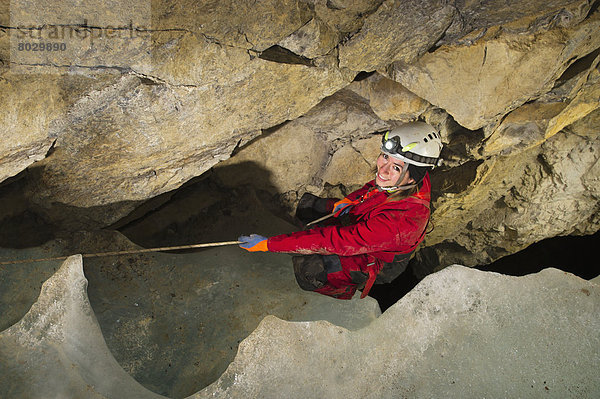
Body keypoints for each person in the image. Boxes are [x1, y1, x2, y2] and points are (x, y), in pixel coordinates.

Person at [238, 121, 443, 300]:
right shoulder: (409, 180)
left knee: (310, 269)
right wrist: (350, 200)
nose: (383, 169)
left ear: (412, 177)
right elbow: (376, 187)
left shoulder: (400, 223)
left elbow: (335, 241)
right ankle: (303, 239)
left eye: (396, 167)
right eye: (385, 157)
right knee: (310, 206)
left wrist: (270, 244)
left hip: (379, 261)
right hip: (369, 219)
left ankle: (342, 290)